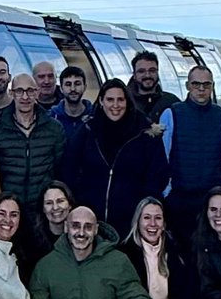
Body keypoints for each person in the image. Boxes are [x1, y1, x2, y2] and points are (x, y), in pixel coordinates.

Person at [60, 78, 169, 239]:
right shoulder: (88, 130)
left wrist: (144, 209)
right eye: (110, 99)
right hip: (93, 222)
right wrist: (79, 203)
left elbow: (158, 175)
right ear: (101, 101)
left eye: (120, 99)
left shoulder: (145, 133)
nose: (115, 105)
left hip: (132, 224)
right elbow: (68, 169)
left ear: (128, 101)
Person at [159, 65, 221, 245]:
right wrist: (167, 193)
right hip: (179, 200)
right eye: (196, 84)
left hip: (212, 201)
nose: (201, 89)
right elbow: (163, 158)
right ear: (187, 85)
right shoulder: (171, 114)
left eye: (206, 84)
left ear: (212, 86)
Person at [0, 73, 66, 210]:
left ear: (37, 93)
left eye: (30, 91)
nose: (25, 97)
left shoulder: (54, 130)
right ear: (11, 93)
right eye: (20, 91)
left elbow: (60, 170)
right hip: (9, 210)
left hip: (43, 210)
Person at [129, 50, 181, 124]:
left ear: (157, 72)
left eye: (152, 70)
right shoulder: (124, 102)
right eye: (141, 71)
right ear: (134, 74)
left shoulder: (171, 102)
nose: (147, 75)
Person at [50, 65, 94, 135]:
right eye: (68, 84)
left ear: (85, 87)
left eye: (77, 84)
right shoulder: (51, 117)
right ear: (61, 88)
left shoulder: (95, 116)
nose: (73, 89)